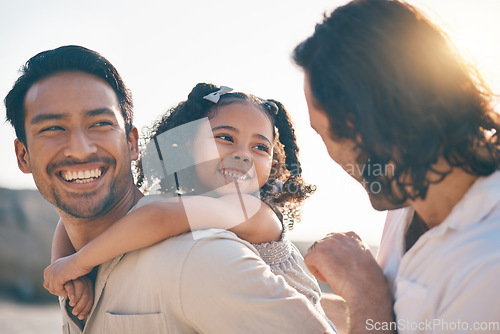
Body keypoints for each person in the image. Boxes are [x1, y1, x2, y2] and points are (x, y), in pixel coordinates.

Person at [5, 45, 336, 333]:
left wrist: (77, 263)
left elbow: (158, 218)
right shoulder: (185, 209)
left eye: (260, 148)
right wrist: (68, 272)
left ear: (131, 143)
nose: (242, 153)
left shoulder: (245, 212)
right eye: (225, 138)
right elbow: (69, 222)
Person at [293, 0, 500, 333]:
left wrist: (365, 293)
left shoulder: (489, 262)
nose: (331, 156)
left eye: (324, 132)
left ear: (367, 123)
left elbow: (376, 315)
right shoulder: (405, 199)